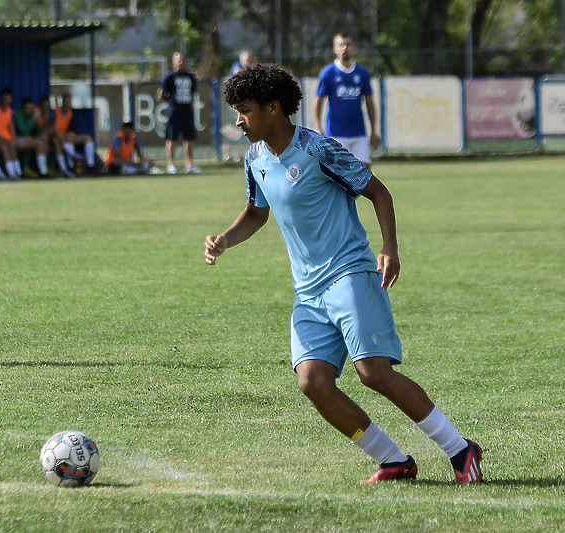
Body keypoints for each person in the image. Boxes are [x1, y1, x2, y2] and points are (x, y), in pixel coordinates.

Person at [205, 63, 482, 485]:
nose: (238, 120)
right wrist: (225, 239)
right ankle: (393, 459)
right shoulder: (255, 158)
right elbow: (256, 213)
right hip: (307, 291)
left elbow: (378, 191)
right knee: (313, 382)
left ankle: (460, 450)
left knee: (373, 373)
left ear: (274, 107)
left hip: (349, 273)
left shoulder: (318, 149)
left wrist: (388, 247)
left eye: (244, 110)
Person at [313, 33, 380, 169]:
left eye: (348, 44)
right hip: (336, 133)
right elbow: (318, 100)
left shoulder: (362, 72)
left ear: (354, 47)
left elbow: (370, 103)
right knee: (338, 174)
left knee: (365, 172)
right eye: (341, 44)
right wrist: (318, 126)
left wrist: (373, 130)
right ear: (335, 49)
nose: (345, 48)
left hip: (358, 133)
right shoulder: (328, 72)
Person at [158, 52, 201, 175]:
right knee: (172, 137)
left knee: (189, 137)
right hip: (174, 111)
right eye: (178, 60)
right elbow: (161, 92)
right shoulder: (170, 77)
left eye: (183, 60)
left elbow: (193, 91)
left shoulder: (190, 77)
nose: (181, 62)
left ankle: (189, 164)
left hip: (187, 110)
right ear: (174, 62)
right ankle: (171, 164)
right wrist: (170, 101)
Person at [54, 93, 97, 171]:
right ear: (62, 103)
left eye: (70, 102)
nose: (68, 104)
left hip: (66, 137)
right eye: (66, 102)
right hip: (56, 137)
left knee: (88, 137)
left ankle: (91, 165)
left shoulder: (70, 114)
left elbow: (67, 129)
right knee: (68, 137)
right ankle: (71, 164)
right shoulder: (55, 111)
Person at [37, 95, 74, 178]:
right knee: (54, 130)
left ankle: (65, 169)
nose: (46, 107)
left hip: (50, 138)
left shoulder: (68, 114)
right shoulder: (38, 114)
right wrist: (45, 119)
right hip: (40, 137)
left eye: (47, 105)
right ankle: (68, 149)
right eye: (44, 106)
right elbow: (40, 128)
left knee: (58, 141)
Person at [14, 97, 50, 177]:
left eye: (31, 108)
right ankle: (42, 172)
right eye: (27, 108)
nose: (29, 110)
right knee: (38, 143)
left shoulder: (33, 115)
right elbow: (24, 130)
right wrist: (34, 119)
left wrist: (43, 121)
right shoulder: (18, 114)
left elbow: (38, 131)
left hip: (28, 139)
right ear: (23, 108)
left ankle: (45, 168)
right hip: (17, 140)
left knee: (43, 140)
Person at [0, 87, 22, 180]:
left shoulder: (10, 111)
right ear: (1, 98)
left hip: (7, 139)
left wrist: (14, 140)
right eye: (5, 98)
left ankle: (18, 172)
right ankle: (11, 173)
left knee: (12, 146)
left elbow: (11, 128)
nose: (7, 101)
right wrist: (4, 139)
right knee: (5, 147)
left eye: (9, 98)